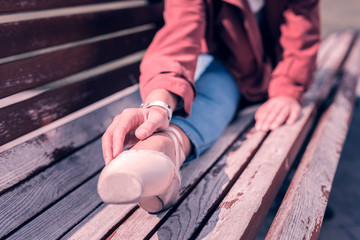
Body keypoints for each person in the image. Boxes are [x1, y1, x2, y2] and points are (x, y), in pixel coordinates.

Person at [97, 0, 320, 213]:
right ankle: (161, 148)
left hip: (266, 69)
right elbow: (180, 33)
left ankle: (162, 151)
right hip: (222, 63)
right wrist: (158, 105)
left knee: (214, 89)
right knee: (210, 84)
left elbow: (300, 34)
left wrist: (287, 90)